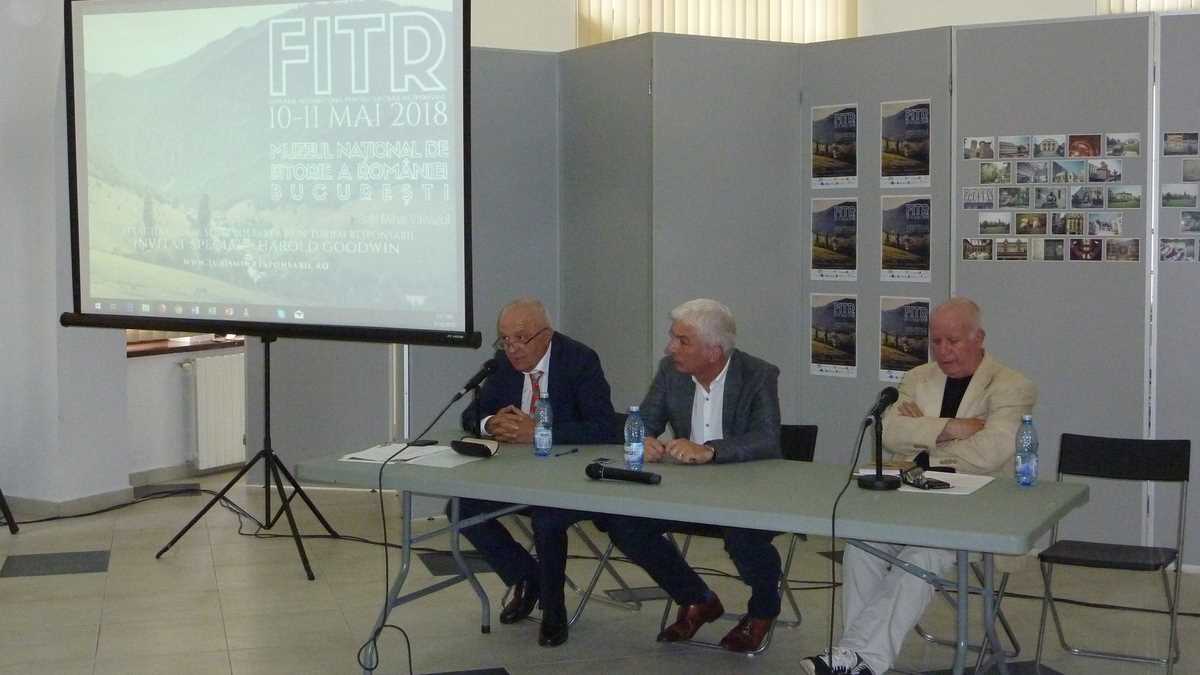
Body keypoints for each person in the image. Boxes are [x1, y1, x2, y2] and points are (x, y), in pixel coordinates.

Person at [801, 297, 1037, 675]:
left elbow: (992, 451)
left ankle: (859, 657)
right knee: (861, 547)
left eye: (953, 341)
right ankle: (857, 658)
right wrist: (955, 428)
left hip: (978, 511)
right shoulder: (917, 378)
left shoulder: (1012, 386)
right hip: (912, 499)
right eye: (936, 341)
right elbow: (891, 432)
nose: (943, 351)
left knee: (923, 555)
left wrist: (925, 436)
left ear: (979, 338)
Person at [534, 298, 783, 652]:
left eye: (682, 341)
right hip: (684, 490)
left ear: (713, 351)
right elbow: (645, 422)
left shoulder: (758, 375)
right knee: (623, 523)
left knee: (744, 536)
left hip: (746, 491)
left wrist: (712, 450)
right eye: (673, 338)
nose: (670, 348)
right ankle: (696, 598)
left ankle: (762, 611)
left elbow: (767, 438)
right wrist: (643, 440)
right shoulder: (671, 371)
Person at [455, 297, 619, 634]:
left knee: (547, 518)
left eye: (520, 338)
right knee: (461, 508)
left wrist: (540, 432)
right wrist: (490, 423)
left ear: (546, 335)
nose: (512, 349)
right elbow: (471, 415)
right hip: (518, 475)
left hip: (570, 478)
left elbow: (604, 427)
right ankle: (527, 578)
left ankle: (554, 608)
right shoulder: (503, 365)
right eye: (505, 340)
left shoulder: (579, 360)